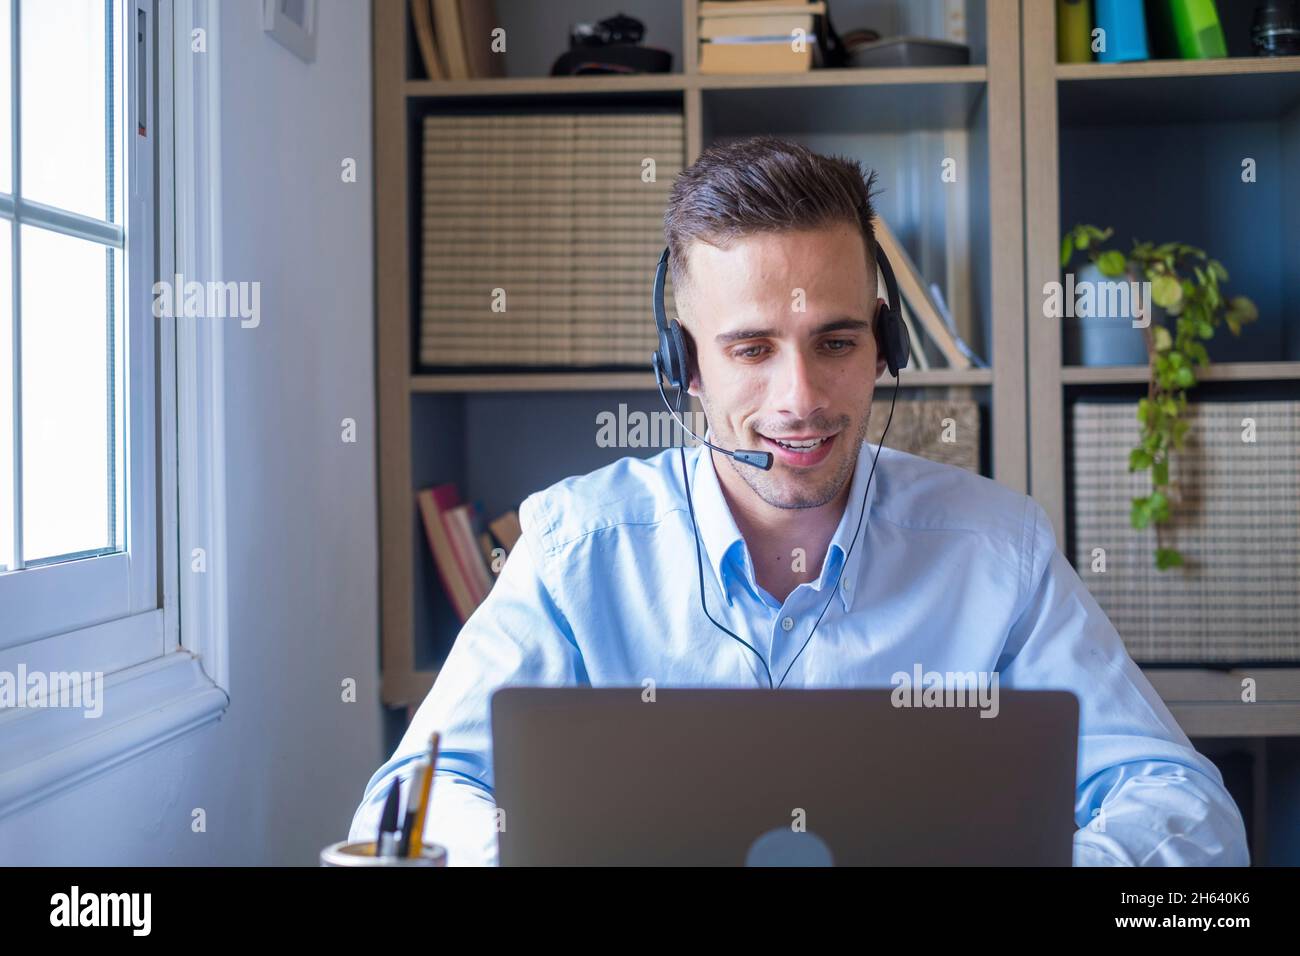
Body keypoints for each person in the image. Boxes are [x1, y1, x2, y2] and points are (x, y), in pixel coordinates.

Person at [351, 136, 1249, 867]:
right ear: (684, 367)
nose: (802, 398)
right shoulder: (575, 546)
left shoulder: (997, 549)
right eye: (751, 349)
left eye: (835, 340)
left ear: (884, 346)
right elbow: (404, 811)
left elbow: (1193, 816)